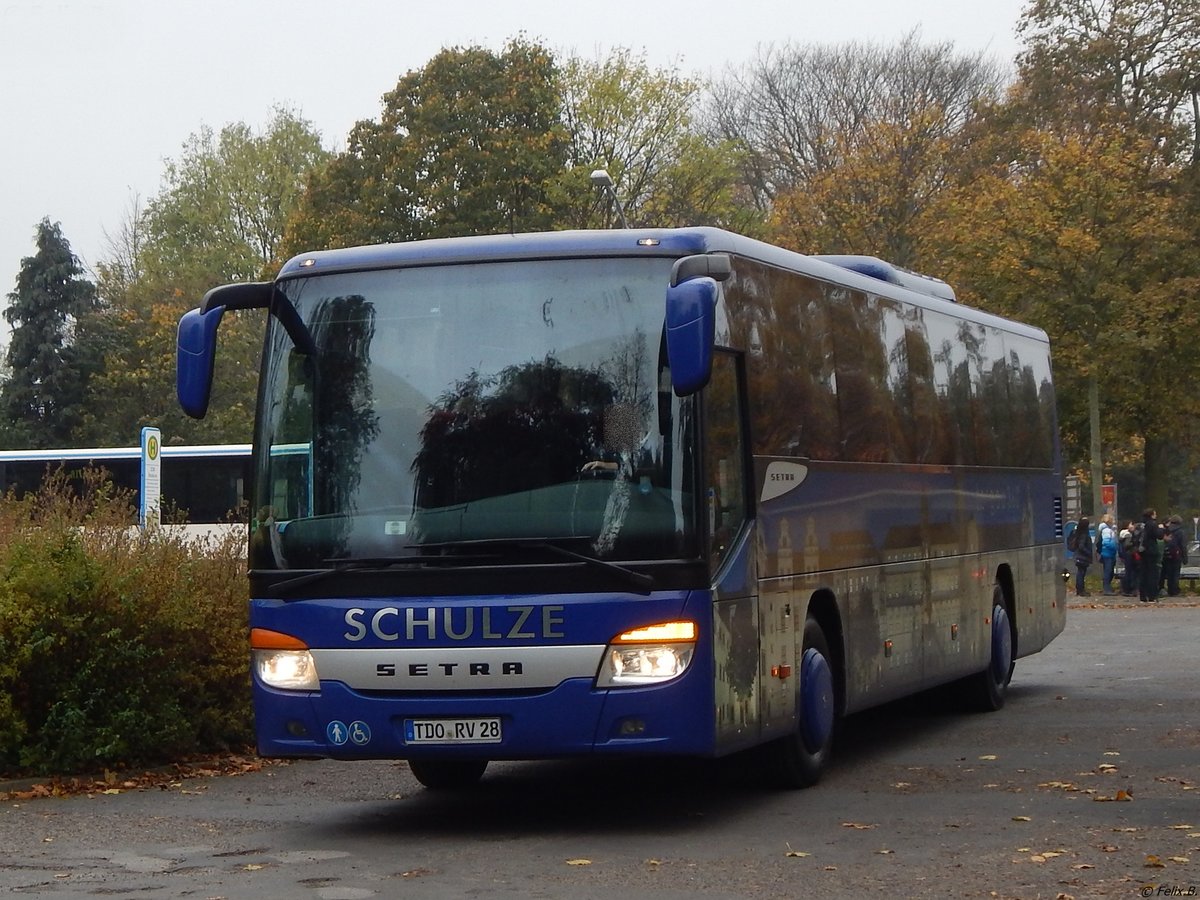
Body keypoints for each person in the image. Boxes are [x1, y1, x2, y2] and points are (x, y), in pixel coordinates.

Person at [1138, 508, 1162, 603]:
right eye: (1155, 514)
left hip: (1142, 550)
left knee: (1143, 573)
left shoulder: (1142, 525)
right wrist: (1161, 528)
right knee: (1152, 574)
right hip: (1151, 551)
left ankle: (1143, 596)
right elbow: (1158, 535)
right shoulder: (1152, 524)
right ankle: (1152, 595)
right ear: (1152, 515)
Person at [1160, 514, 1187, 597]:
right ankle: (1174, 590)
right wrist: (1185, 557)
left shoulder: (1166, 530)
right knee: (1175, 573)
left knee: (1168, 573)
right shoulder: (1180, 531)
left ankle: (1167, 589)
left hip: (1166, 554)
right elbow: (1183, 545)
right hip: (1176, 555)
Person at [1096, 513, 1118, 595]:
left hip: (1107, 553)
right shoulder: (1106, 530)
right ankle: (1106, 589)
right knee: (1108, 571)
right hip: (1108, 553)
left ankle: (1107, 587)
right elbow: (1106, 542)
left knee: (1108, 570)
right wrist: (1114, 547)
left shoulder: (1105, 530)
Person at [1072, 515, 1094, 597]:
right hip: (1082, 557)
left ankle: (1080, 589)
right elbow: (1081, 546)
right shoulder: (1084, 534)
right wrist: (1088, 552)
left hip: (1079, 556)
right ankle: (1081, 590)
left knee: (1080, 573)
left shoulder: (1079, 533)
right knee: (1081, 573)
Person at [1119, 520, 1141, 597]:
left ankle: (1127, 588)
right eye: (1131, 524)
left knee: (1129, 572)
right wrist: (1134, 542)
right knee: (1131, 572)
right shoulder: (1128, 535)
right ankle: (1130, 589)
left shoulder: (1124, 535)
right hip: (1130, 556)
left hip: (1127, 556)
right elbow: (1127, 545)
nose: (1132, 526)